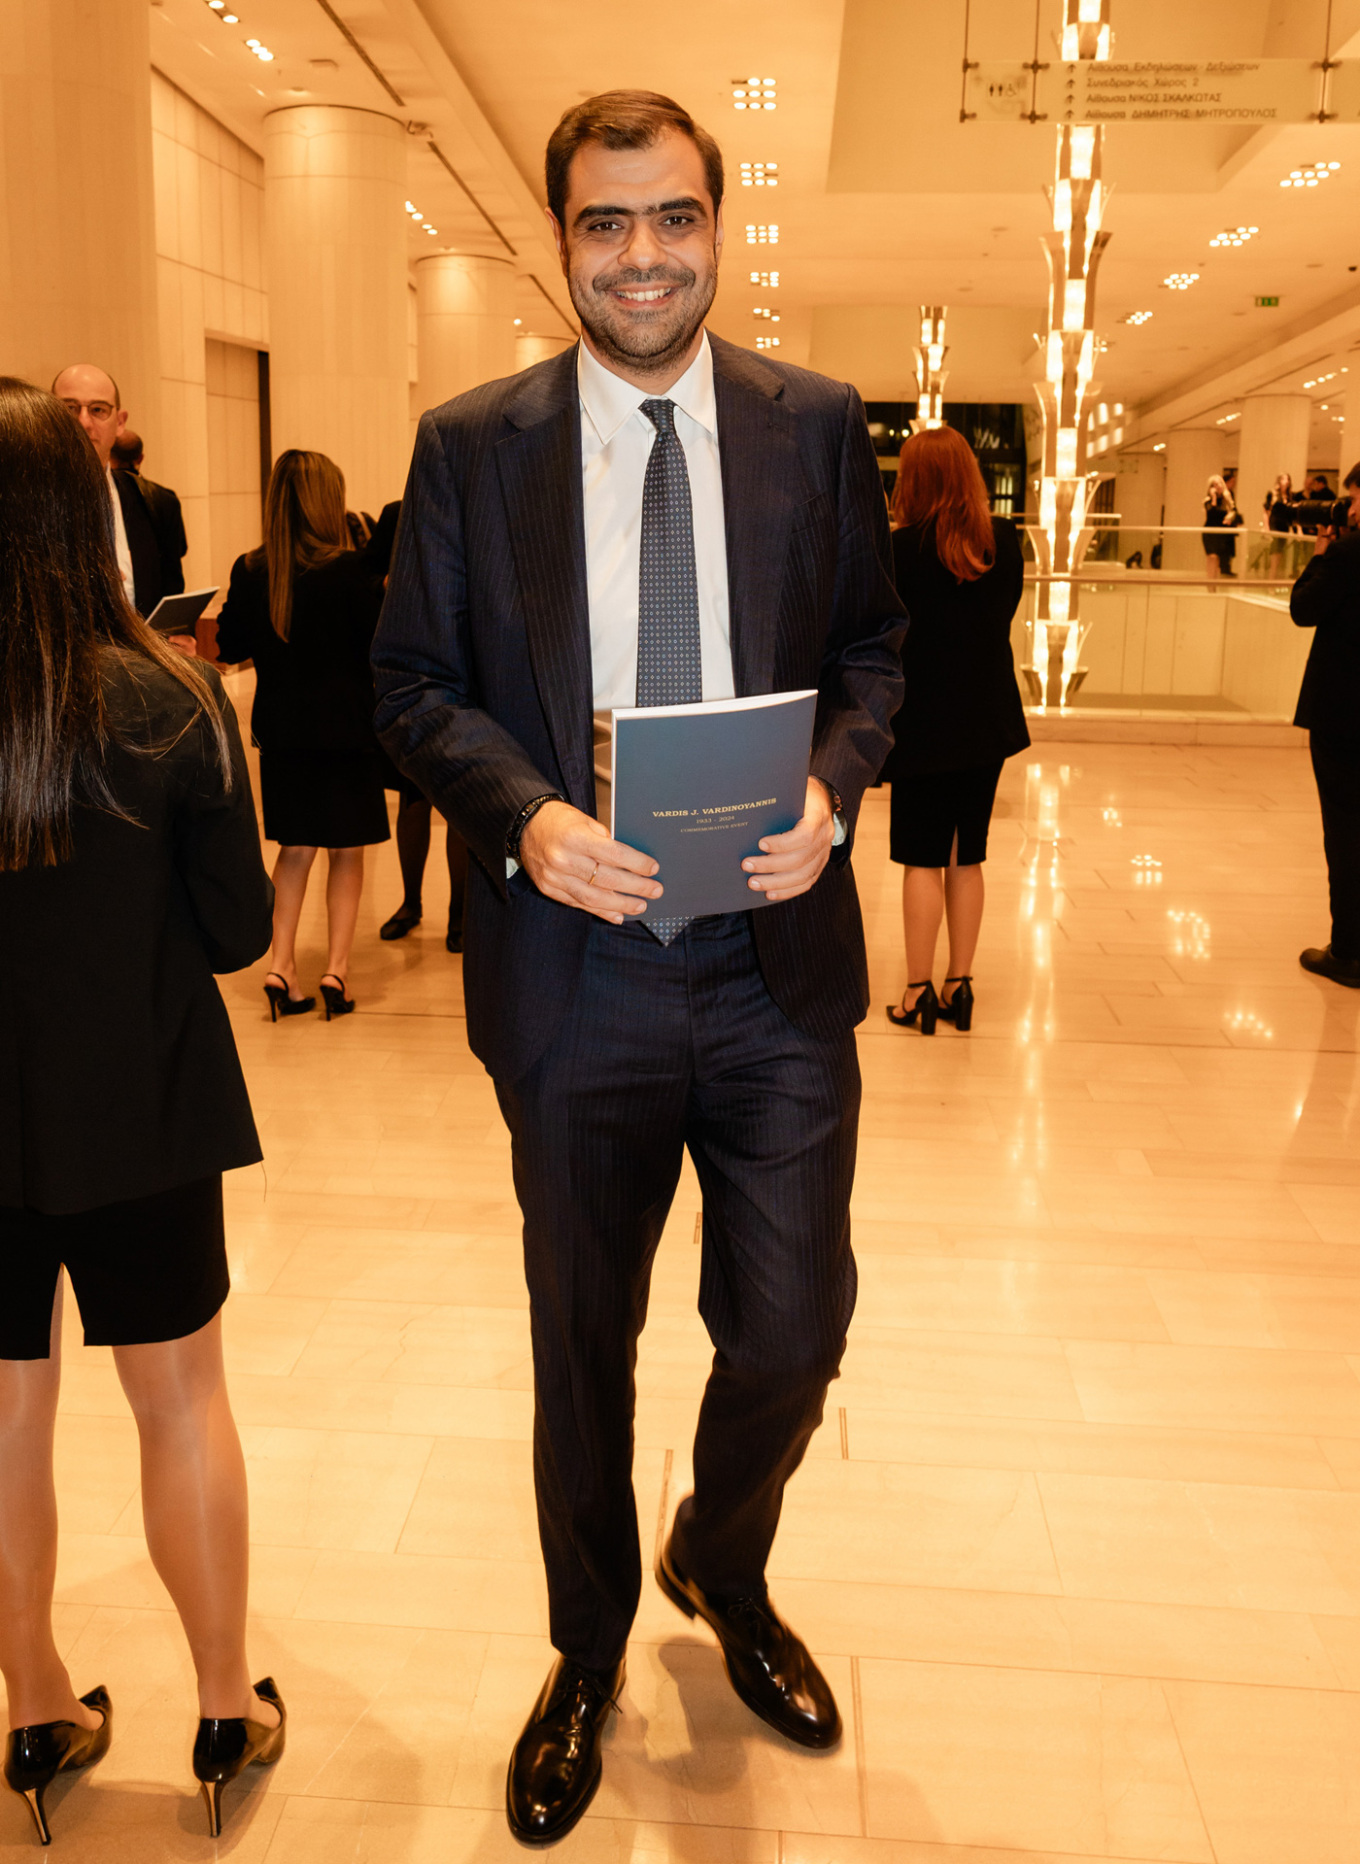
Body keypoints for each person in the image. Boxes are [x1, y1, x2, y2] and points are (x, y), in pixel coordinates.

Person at [373, 89, 905, 1846]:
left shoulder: (816, 423)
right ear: (561, 242)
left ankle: (718, 1560)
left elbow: (875, 651)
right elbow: (410, 689)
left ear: (717, 226)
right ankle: (587, 1646)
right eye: (607, 223)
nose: (644, 256)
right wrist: (524, 817)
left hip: (771, 965)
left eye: (673, 217)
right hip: (575, 974)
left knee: (796, 1325)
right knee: (579, 1342)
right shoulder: (474, 446)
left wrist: (832, 790)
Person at [0, 378, 283, 1845]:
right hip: (146, 1106)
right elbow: (239, 933)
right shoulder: (170, 701)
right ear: (87, 515)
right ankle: (226, 1704)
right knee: (178, 1404)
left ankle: (34, 1705)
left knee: (4, 1415)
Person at [216, 450, 390, 1021]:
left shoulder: (251, 569)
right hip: (348, 733)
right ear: (326, 502)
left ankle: (281, 967)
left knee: (293, 853)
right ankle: (336, 971)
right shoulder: (351, 571)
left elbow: (231, 646)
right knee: (346, 854)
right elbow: (379, 647)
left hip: (283, 736)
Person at [882, 427, 1028, 1034]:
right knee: (967, 855)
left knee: (921, 858)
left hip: (919, 723)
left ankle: (917, 993)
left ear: (912, 479)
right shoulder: (1004, 542)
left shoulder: (897, 550)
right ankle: (959, 985)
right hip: (987, 721)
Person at [365, 501, 470, 950]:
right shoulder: (396, 514)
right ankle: (410, 904)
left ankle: (459, 917)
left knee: (461, 805)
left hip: (467, 672)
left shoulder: (471, 502)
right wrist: (385, 584)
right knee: (412, 801)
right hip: (412, 674)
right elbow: (365, 577)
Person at [1290, 460, 1360, 988]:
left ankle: (1348, 951)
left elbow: (1303, 609)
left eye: (1354, 500)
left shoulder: (1347, 554)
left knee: (1346, 830)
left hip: (1344, 714)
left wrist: (1319, 555)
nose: (1349, 510)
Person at [52, 364, 187, 621]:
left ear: (120, 422)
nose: (83, 422)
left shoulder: (158, 504)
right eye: (69, 408)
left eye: (98, 410)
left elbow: (170, 603)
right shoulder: (20, 504)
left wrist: (177, 637)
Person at [1202, 473, 1239, 577]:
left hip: (1222, 534)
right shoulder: (1208, 501)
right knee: (1212, 557)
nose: (1218, 486)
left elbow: (1234, 511)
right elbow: (1212, 512)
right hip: (1209, 533)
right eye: (1214, 484)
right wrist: (1214, 497)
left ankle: (1213, 583)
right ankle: (1210, 582)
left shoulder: (1226, 500)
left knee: (1218, 560)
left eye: (1219, 483)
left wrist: (1230, 516)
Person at [1265, 472, 1298, 579]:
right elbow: (1266, 511)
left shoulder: (1290, 496)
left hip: (1284, 526)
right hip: (1275, 525)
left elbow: (1292, 514)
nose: (1286, 481)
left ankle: (1275, 580)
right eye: (1283, 479)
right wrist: (1266, 528)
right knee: (1275, 554)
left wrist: (1296, 529)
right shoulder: (1273, 494)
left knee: (1281, 555)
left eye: (1288, 479)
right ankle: (1271, 580)